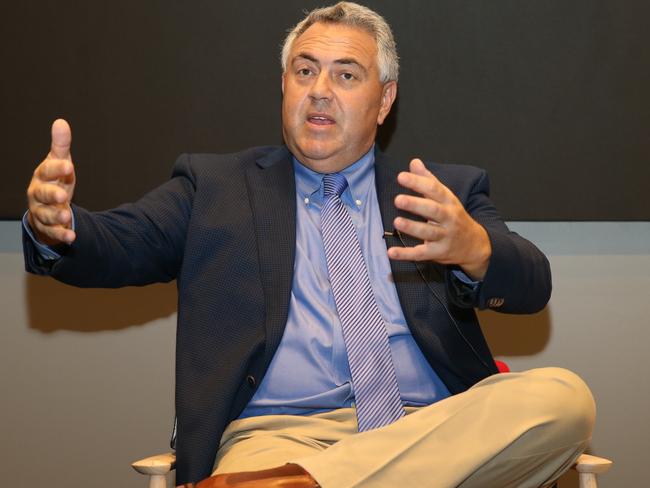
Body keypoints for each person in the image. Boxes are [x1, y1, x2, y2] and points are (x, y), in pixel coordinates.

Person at [23, 2, 595, 487]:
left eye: (346, 75)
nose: (320, 92)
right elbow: (118, 243)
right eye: (304, 71)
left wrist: (476, 248)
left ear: (385, 98)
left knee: (565, 399)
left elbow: (533, 285)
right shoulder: (215, 187)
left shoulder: (440, 193)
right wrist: (57, 224)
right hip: (273, 444)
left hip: (436, 434)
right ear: (284, 84)